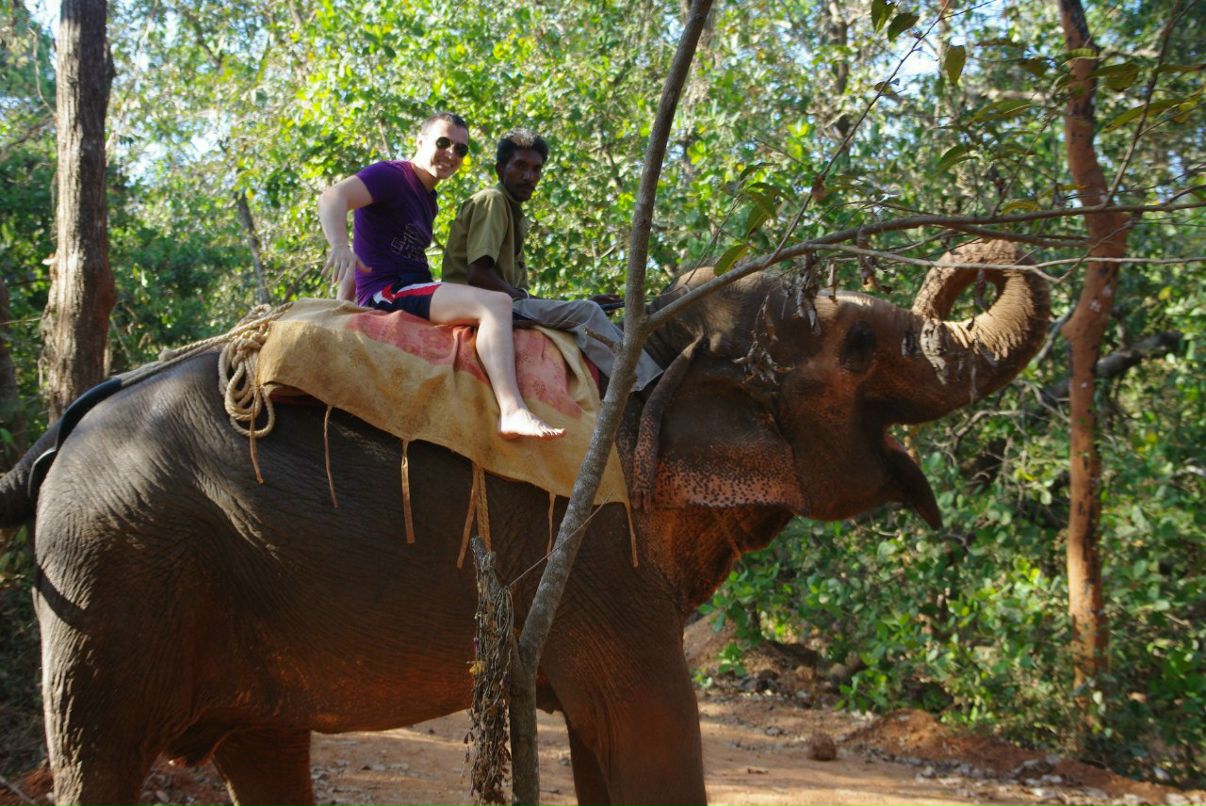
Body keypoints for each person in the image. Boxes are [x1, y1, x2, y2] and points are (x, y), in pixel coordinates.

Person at [318, 112, 563, 440]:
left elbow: (376, 243)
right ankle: (512, 410)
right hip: (391, 291)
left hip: (414, 284)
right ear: (420, 142)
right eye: (443, 143)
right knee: (495, 304)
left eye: (461, 150)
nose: (452, 153)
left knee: (507, 315)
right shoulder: (392, 176)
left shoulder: (427, 199)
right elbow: (333, 196)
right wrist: (339, 245)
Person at [441, 128, 662, 392]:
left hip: (498, 302)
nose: (529, 176)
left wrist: (563, 305)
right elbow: (478, 275)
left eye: (536, 169)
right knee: (585, 313)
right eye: (520, 166)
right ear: (500, 169)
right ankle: (650, 385)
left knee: (586, 309)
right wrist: (551, 306)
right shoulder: (493, 200)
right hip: (476, 302)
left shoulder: (512, 211)